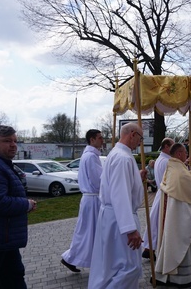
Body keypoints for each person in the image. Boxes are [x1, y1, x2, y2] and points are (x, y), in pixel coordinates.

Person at [88, 122, 147, 288]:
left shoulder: (116, 154)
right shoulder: (122, 158)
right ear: (132, 134)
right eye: (140, 139)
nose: (140, 143)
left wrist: (137, 176)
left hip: (112, 217)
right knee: (129, 267)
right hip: (120, 219)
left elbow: (118, 185)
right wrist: (130, 229)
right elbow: (119, 195)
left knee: (111, 266)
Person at [155, 143, 191, 286]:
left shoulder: (172, 167)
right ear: (179, 154)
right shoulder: (179, 173)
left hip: (173, 214)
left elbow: (187, 176)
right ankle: (181, 277)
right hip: (181, 215)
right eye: (185, 153)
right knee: (181, 242)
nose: (187, 155)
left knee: (172, 240)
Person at [0, 125, 37, 288]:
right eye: (7, 141)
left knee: (14, 275)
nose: (13, 144)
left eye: (15, 141)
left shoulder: (5, 165)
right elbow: (0, 202)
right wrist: (26, 204)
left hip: (6, 239)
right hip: (1, 238)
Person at [61, 129, 104, 273]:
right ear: (92, 140)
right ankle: (71, 257)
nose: (102, 140)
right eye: (100, 138)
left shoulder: (89, 155)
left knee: (88, 232)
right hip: (92, 199)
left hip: (90, 199)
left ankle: (74, 258)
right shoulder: (91, 157)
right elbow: (98, 180)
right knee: (88, 232)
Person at [142, 137, 174, 260]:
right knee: (159, 223)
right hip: (165, 195)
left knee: (155, 223)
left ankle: (148, 247)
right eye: (172, 145)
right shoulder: (166, 161)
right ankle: (154, 248)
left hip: (161, 194)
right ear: (166, 146)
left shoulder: (161, 159)